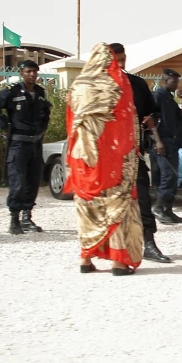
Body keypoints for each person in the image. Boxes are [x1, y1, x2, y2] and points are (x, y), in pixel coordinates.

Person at [65, 43, 143, 276]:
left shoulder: (77, 85)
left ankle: (86, 260)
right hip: (112, 157)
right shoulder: (118, 82)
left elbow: (70, 122)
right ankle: (119, 263)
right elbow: (127, 121)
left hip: (83, 157)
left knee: (87, 206)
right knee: (115, 205)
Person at [108, 43, 172, 264]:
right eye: (117, 59)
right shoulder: (99, 87)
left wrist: (151, 120)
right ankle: (108, 248)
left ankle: (149, 243)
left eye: (124, 59)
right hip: (108, 159)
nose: (122, 64)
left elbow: (152, 111)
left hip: (133, 154)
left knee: (143, 198)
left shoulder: (136, 84)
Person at [0, 60, 51, 235]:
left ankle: (26, 217)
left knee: (33, 180)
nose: (32, 74)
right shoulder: (12, 92)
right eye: (29, 71)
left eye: (35, 72)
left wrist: (43, 127)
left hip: (35, 144)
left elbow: (46, 111)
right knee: (18, 182)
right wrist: (5, 126)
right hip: (18, 144)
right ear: (22, 73)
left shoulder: (39, 92)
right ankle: (14, 220)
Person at [151, 68, 182, 224]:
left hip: (172, 142)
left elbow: (180, 116)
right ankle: (158, 208)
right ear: (165, 81)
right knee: (167, 176)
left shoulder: (169, 98)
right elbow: (151, 120)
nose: (176, 85)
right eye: (174, 82)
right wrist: (158, 141)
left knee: (173, 176)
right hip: (162, 141)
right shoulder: (157, 96)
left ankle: (168, 209)